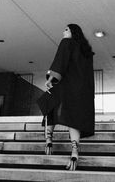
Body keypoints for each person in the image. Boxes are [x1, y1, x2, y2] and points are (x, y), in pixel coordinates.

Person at [43, 23, 95, 171]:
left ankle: (48, 140)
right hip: (81, 90)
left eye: (66, 29)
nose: (63, 31)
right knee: (74, 119)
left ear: (73, 31)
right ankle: (74, 151)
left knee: (50, 107)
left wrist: (51, 78)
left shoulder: (67, 42)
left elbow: (61, 61)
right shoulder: (87, 52)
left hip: (65, 85)